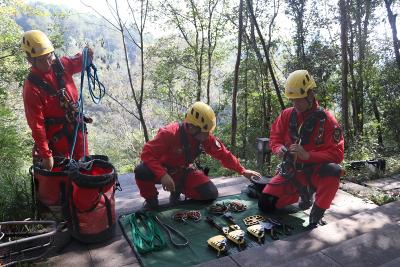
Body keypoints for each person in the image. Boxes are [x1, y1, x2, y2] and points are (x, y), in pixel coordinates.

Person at [258, 70, 344, 229]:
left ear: (310, 95)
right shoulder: (286, 115)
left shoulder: (328, 120)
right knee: (266, 204)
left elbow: (337, 154)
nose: (295, 104)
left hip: (317, 172)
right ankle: (302, 193)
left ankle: (316, 215)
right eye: (292, 100)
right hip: (292, 171)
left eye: (299, 100)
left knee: (334, 171)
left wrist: (307, 155)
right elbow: (274, 138)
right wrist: (279, 149)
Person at [134, 101, 262, 209]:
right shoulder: (169, 133)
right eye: (204, 132)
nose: (207, 136)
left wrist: (243, 171)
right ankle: (151, 201)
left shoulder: (204, 137)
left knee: (210, 193)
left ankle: (176, 192)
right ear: (192, 127)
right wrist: (163, 175)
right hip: (162, 170)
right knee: (141, 170)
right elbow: (146, 154)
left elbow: (224, 155)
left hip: (183, 172)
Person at [21, 30, 93, 170]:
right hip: (57, 137)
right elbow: (37, 125)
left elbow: (79, 61)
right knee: (63, 176)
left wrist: (88, 56)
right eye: (42, 59)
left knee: (84, 170)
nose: (48, 62)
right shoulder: (32, 87)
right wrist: (46, 155)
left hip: (77, 128)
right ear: (30, 60)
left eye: (50, 56)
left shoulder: (61, 65)